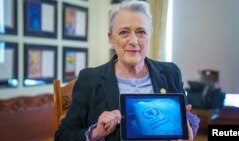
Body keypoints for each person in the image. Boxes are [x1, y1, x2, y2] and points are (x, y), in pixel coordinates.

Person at [55, 0, 200, 141]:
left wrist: (187, 130)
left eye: (141, 32)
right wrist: (96, 133)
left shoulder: (171, 72)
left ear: (150, 35)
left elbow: (188, 119)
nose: (133, 41)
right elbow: (62, 136)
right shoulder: (89, 79)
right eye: (124, 32)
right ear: (111, 38)